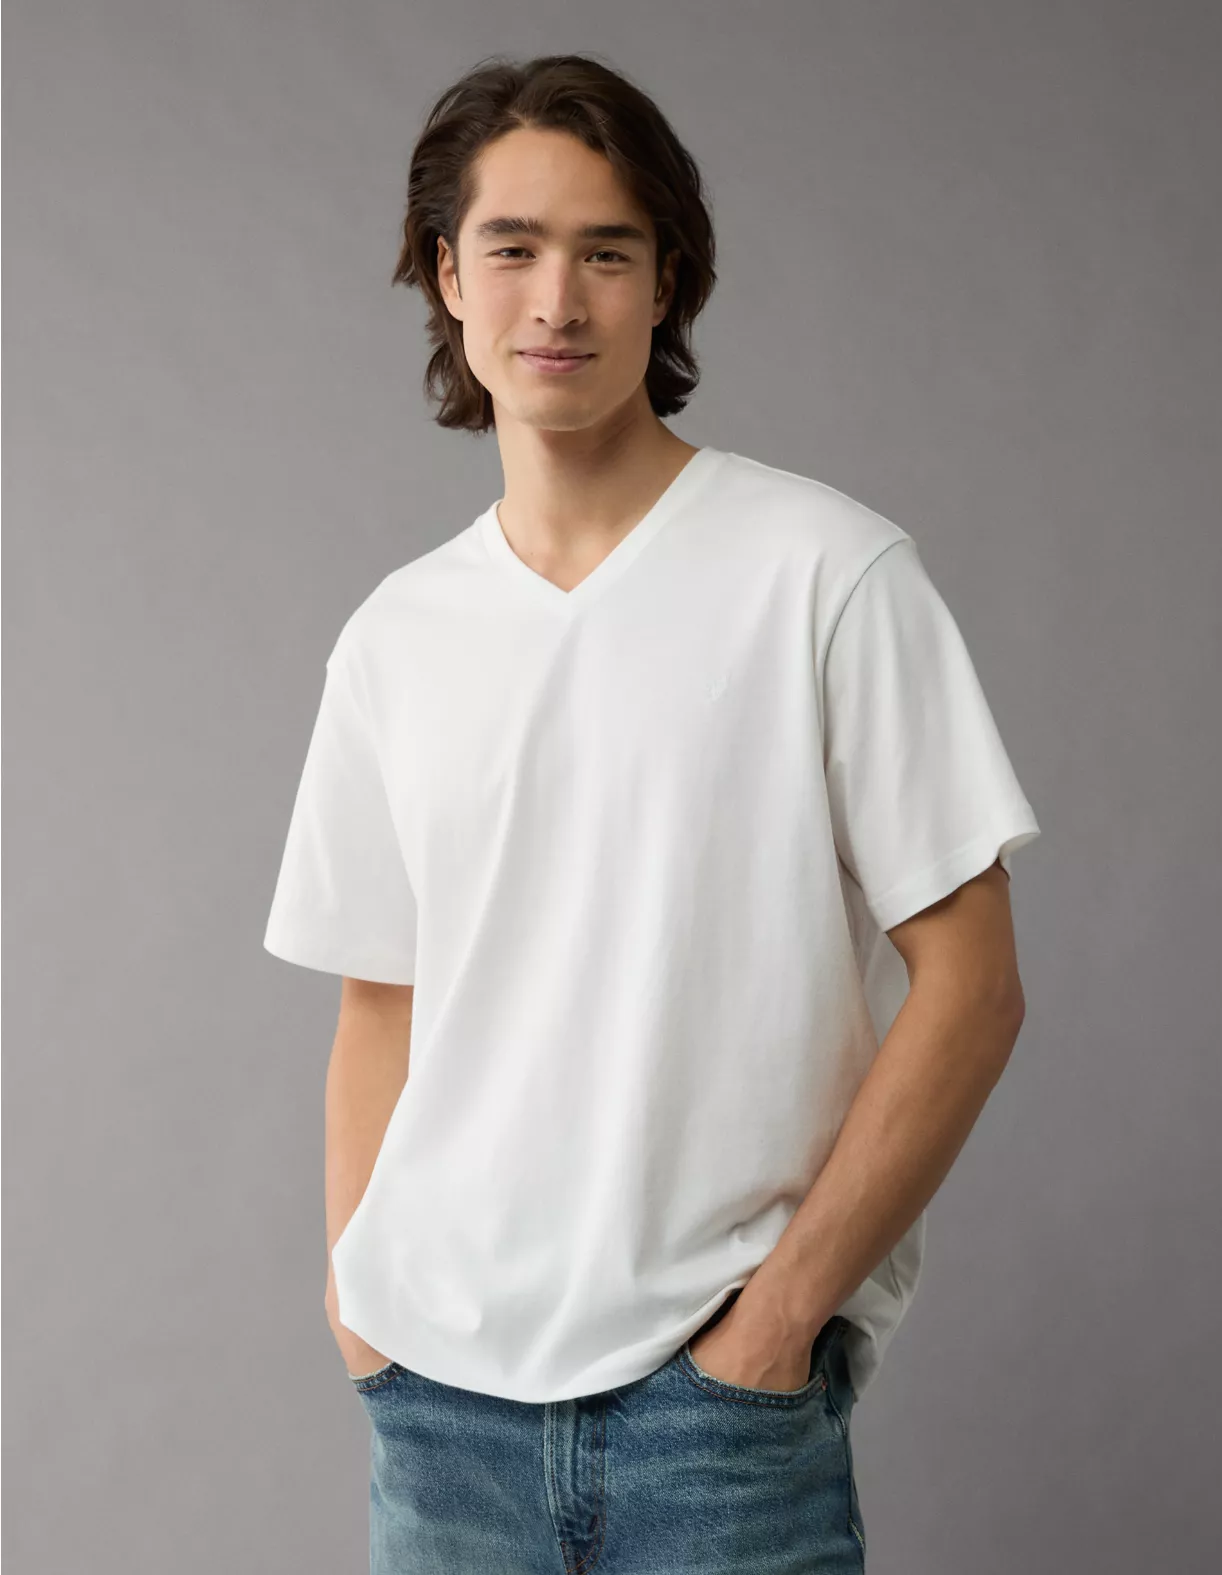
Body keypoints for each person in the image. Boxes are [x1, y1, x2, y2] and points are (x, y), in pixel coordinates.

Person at [263, 50, 1041, 1575]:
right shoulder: (396, 637)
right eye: (512, 247)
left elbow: (973, 983)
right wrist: (362, 1309)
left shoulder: (824, 573)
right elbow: (380, 999)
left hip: (719, 1411)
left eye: (605, 252)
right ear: (447, 274)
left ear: (666, 281)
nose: (555, 300)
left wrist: (779, 1317)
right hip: (439, 1412)